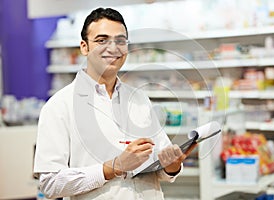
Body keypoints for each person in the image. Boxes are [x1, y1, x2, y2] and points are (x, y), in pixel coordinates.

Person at [34, 7, 197, 200]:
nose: (113, 48)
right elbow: (50, 183)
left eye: (120, 41)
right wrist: (114, 167)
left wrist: (172, 165)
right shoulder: (60, 106)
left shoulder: (139, 99)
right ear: (84, 47)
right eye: (102, 40)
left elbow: (161, 168)